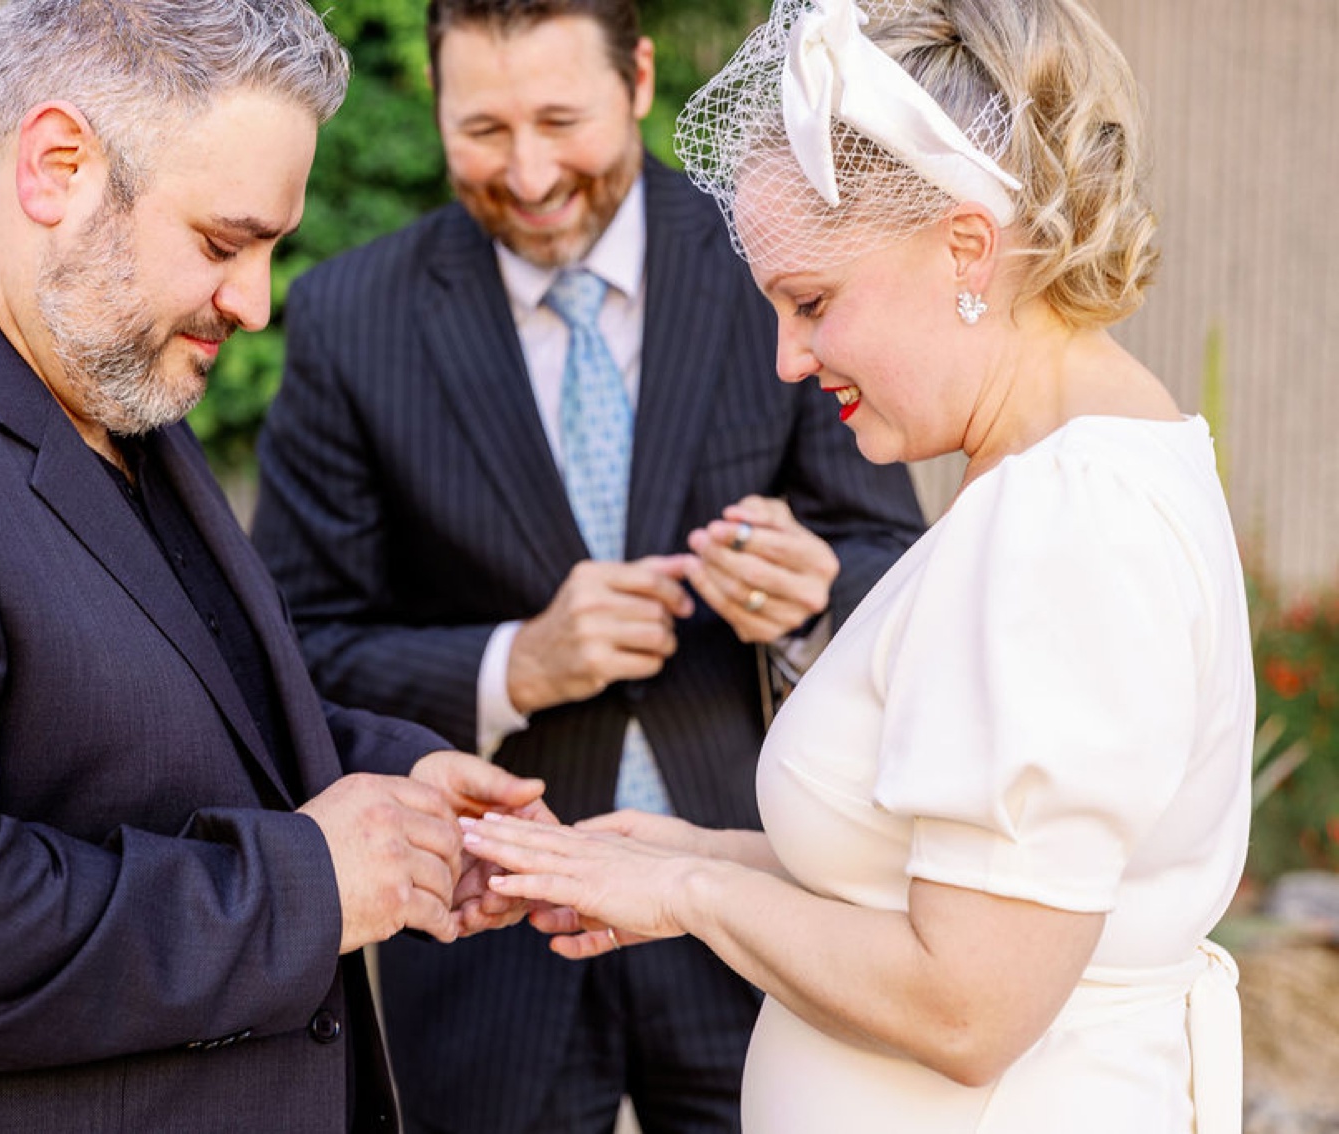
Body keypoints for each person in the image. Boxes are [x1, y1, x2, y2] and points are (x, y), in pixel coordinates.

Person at [0, 2, 550, 1130]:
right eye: (224, 243)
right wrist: (313, 886)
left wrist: (394, 786)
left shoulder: (85, 351)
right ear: (57, 164)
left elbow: (143, 706)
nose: (255, 304)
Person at [460, 0, 1255, 1130]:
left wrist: (689, 890)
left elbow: (966, 1006)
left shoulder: (1062, 520)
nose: (789, 357)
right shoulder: (1072, 474)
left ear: (966, 245)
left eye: (812, 302)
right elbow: (949, 887)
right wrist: (701, 852)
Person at [249, 0, 928, 1129]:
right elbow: (296, 649)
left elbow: (893, 562)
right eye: (481, 130)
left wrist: (811, 597)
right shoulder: (346, 317)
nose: (525, 173)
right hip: (490, 935)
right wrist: (513, 664)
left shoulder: (775, 266)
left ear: (638, 81)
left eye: (560, 119)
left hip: (753, 913)